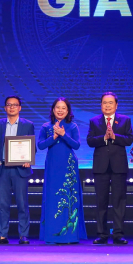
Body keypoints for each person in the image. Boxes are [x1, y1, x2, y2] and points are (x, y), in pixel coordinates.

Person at [86, 92, 133, 245]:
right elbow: (90, 141)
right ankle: (102, 234)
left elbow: (129, 139)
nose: (107, 105)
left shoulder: (125, 120)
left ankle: (118, 234)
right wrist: (104, 138)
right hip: (101, 166)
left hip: (119, 166)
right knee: (101, 201)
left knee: (119, 200)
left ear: (116, 105)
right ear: (101, 105)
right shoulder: (94, 121)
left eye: (110, 103)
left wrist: (114, 136)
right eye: (105, 103)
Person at [37, 97, 87, 244]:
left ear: (68, 111)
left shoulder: (72, 126)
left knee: (69, 198)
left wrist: (63, 135)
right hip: (53, 165)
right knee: (53, 197)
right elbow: (40, 146)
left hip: (68, 165)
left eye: (63, 108)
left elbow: (76, 145)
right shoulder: (46, 126)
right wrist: (53, 136)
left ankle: (69, 235)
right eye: (58, 107)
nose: (60, 110)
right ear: (53, 110)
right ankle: (52, 234)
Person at [0, 95, 34, 245]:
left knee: (22, 203)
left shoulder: (28, 125)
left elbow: (32, 147)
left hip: (20, 169)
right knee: (3, 204)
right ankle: (2, 235)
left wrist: (28, 159)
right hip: (3, 168)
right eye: (9, 105)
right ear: (5, 108)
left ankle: (24, 235)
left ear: (20, 108)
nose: (12, 107)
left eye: (15, 105)